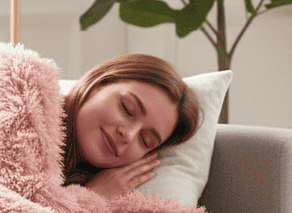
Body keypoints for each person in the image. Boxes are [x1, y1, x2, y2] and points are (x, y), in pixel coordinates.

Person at [62, 53, 200, 198]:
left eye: (145, 140)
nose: (128, 134)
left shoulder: (115, 192)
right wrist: (92, 196)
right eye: (127, 109)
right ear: (100, 83)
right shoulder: (37, 107)